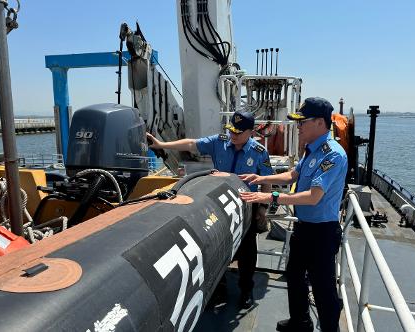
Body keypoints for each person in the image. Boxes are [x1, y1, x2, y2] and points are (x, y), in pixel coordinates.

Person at [239, 97, 347, 332]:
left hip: (322, 232)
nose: (298, 127)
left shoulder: (332, 154)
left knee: (323, 288)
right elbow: (291, 176)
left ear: (319, 122)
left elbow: (313, 196)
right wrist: (261, 178)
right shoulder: (312, 150)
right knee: (295, 276)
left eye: (302, 122)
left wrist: (269, 197)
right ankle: (301, 322)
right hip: (303, 227)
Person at [146, 110, 274, 309]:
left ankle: (246, 290)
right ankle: (219, 290)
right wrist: (162, 145)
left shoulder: (258, 152)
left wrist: (263, 208)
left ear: (250, 132)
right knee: (218, 245)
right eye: (232, 130)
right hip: (220, 203)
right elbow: (191, 144)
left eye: (239, 132)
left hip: (246, 204)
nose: (233, 135)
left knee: (248, 250)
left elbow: (267, 181)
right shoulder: (219, 142)